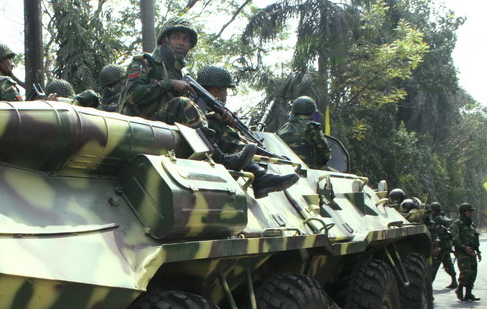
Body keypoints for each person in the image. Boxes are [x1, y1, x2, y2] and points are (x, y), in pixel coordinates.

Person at [119, 17, 297, 198]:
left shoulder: (178, 71)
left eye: (187, 40)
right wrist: (168, 84)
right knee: (184, 104)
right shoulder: (145, 62)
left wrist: (212, 117)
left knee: (214, 122)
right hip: (138, 123)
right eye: (177, 37)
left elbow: (186, 111)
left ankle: (258, 176)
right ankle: (218, 158)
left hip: (163, 124)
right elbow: (133, 96)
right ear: (166, 39)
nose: (182, 42)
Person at [195, 65, 299, 198]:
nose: (226, 94)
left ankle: (259, 175)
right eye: (225, 89)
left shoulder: (209, 110)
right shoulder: (194, 105)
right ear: (217, 89)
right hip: (203, 147)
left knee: (230, 131)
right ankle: (258, 174)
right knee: (228, 133)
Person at [277, 96, 332, 169]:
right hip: (308, 169)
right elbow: (325, 153)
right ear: (311, 110)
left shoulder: (284, 127)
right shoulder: (312, 127)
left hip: (285, 167)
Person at [450, 202, 481, 301]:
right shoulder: (457, 224)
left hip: (471, 251)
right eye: (469, 212)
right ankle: (459, 289)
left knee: (473, 272)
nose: (470, 213)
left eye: (471, 212)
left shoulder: (471, 224)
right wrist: (464, 248)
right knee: (466, 272)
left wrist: (478, 251)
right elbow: (455, 239)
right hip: (462, 252)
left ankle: (468, 293)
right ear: (463, 213)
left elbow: (475, 239)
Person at [428, 202, 458, 288]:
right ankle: (454, 281)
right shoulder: (446, 219)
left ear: (433, 210)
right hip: (447, 245)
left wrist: (435, 246)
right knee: (448, 262)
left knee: (434, 265)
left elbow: (436, 233)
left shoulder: (436, 220)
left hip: (440, 245)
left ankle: (429, 285)